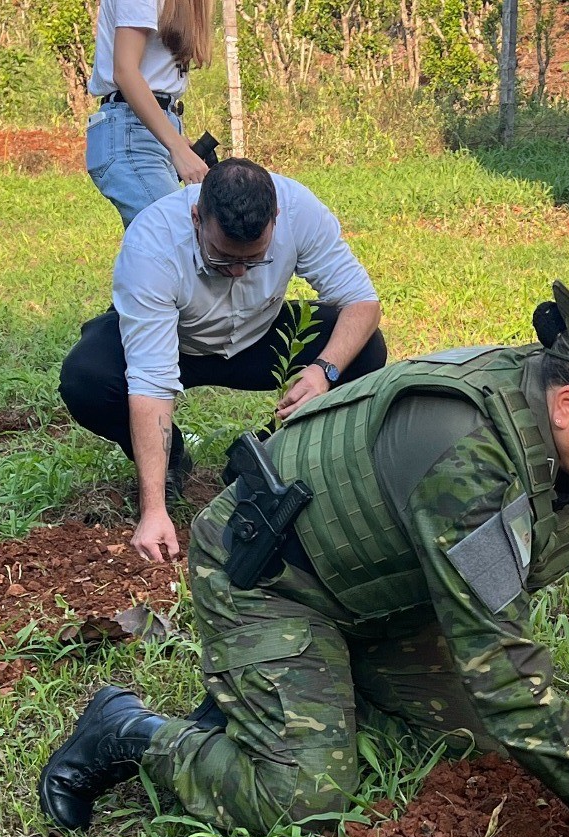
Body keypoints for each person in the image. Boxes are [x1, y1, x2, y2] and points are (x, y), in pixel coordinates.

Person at [39, 282, 569, 837]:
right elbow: (503, 665)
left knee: (475, 742)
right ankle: (130, 730)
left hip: (384, 595)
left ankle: (282, 696)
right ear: (568, 402)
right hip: (273, 582)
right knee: (303, 796)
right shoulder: (466, 449)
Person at [59, 156, 387, 564]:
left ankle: (267, 456)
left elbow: (362, 302)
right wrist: (154, 509)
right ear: (197, 217)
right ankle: (172, 457)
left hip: (258, 335)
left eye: (254, 260)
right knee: (86, 378)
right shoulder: (152, 245)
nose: (236, 271)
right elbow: (151, 381)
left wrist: (323, 371)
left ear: (276, 219)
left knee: (364, 348)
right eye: (221, 257)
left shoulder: (299, 210)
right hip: (177, 341)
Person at [86, 0, 214, 227]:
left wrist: (175, 138)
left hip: (148, 129)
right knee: (178, 236)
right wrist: (176, 147)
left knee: (162, 249)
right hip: (129, 133)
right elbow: (125, 71)